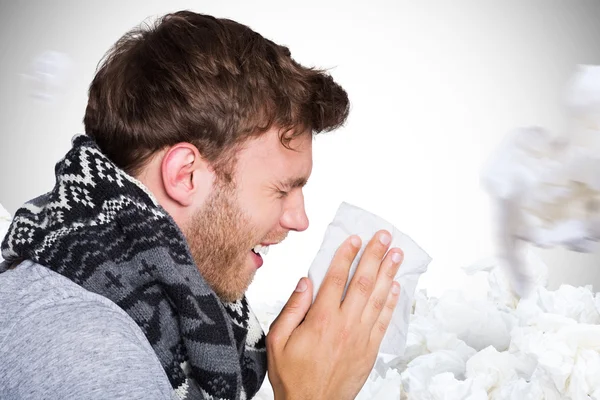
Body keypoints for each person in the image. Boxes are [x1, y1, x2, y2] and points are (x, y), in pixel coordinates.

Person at [0, 10, 404, 400]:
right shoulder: (88, 352)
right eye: (282, 190)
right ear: (186, 175)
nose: (299, 220)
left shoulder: (126, 315)